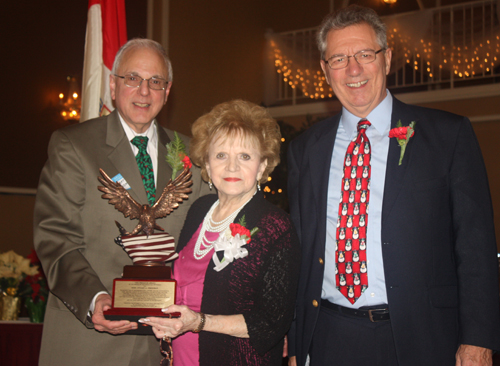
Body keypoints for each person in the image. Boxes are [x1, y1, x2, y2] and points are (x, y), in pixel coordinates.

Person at [287, 5, 500, 366]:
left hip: (422, 338)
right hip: (329, 335)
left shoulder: (448, 136)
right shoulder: (305, 149)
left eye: (365, 54)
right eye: (338, 59)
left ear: (387, 59)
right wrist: (296, 341)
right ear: (325, 70)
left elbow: (475, 246)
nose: (353, 69)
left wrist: (478, 339)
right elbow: (300, 251)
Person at [33, 39, 210, 366]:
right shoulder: (74, 146)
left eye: (155, 81)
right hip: (90, 344)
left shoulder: (194, 154)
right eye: (132, 78)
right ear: (113, 86)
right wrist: (94, 299)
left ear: (167, 91)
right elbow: (55, 237)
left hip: (169, 346)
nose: (144, 91)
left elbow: (208, 243)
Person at [140, 100, 301, 365]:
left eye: (245, 156)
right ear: (207, 163)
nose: (232, 167)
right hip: (180, 357)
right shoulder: (199, 210)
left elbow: (271, 323)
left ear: (261, 167)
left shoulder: (276, 226)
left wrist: (199, 322)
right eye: (221, 155)